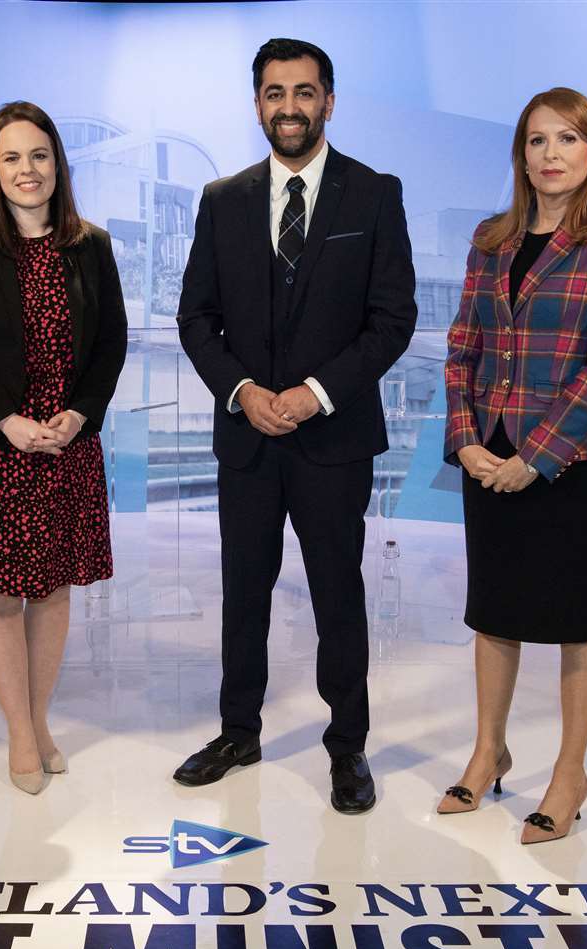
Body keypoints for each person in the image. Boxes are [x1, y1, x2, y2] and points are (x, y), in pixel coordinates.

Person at [174, 38, 417, 813]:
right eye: (274, 93)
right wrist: (242, 390)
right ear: (257, 105)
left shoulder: (374, 195)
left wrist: (315, 393)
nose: (289, 107)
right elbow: (195, 317)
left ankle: (348, 747)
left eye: (304, 92)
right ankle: (238, 730)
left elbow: (392, 321)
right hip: (248, 438)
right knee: (243, 591)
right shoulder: (222, 199)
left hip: (332, 440)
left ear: (329, 101)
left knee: (337, 595)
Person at [437, 87, 587, 843]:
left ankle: (570, 773)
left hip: (573, 461)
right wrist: (465, 438)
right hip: (487, 451)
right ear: (520, 154)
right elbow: (463, 347)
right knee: (493, 613)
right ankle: (489, 752)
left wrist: (538, 457)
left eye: (567, 139)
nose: (550, 155)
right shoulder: (491, 237)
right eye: (536, 141)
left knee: (574, 620)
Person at [0, 101, 126, 794]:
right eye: (11, 157)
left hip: (66, 444)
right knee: (2, 593)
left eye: (38, 155)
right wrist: (6, 419)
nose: (27, 169)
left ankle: (40, 719)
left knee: (53, 588)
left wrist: (79, 414)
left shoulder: (91, 246)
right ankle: (18, 730)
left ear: (57, 163)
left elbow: (110, 345)